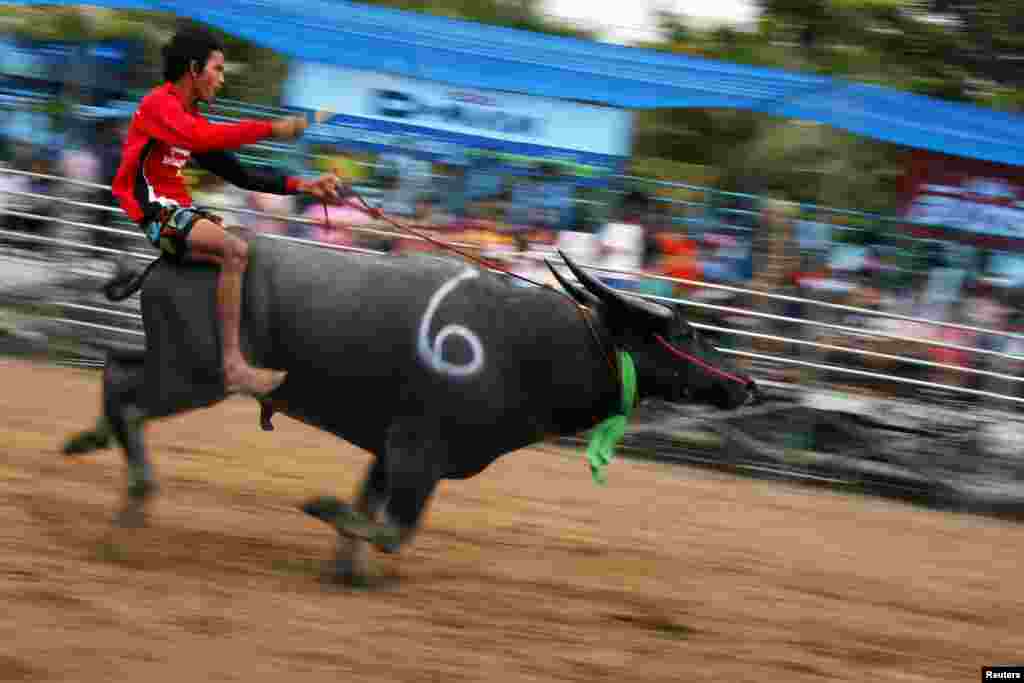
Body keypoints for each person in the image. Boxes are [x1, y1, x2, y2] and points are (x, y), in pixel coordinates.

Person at [111, 27, 343, 398]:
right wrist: (272, 129)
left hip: (177, 209)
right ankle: (233, 366)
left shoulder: (189, 119)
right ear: (193, 68)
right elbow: (202, 138)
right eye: (217, 70)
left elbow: (241, 175)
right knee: (235, 250)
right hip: (156, 212)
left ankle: (220, 348)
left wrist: (304, 185)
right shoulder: (161, 107)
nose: (221, 79)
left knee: (244, 248)